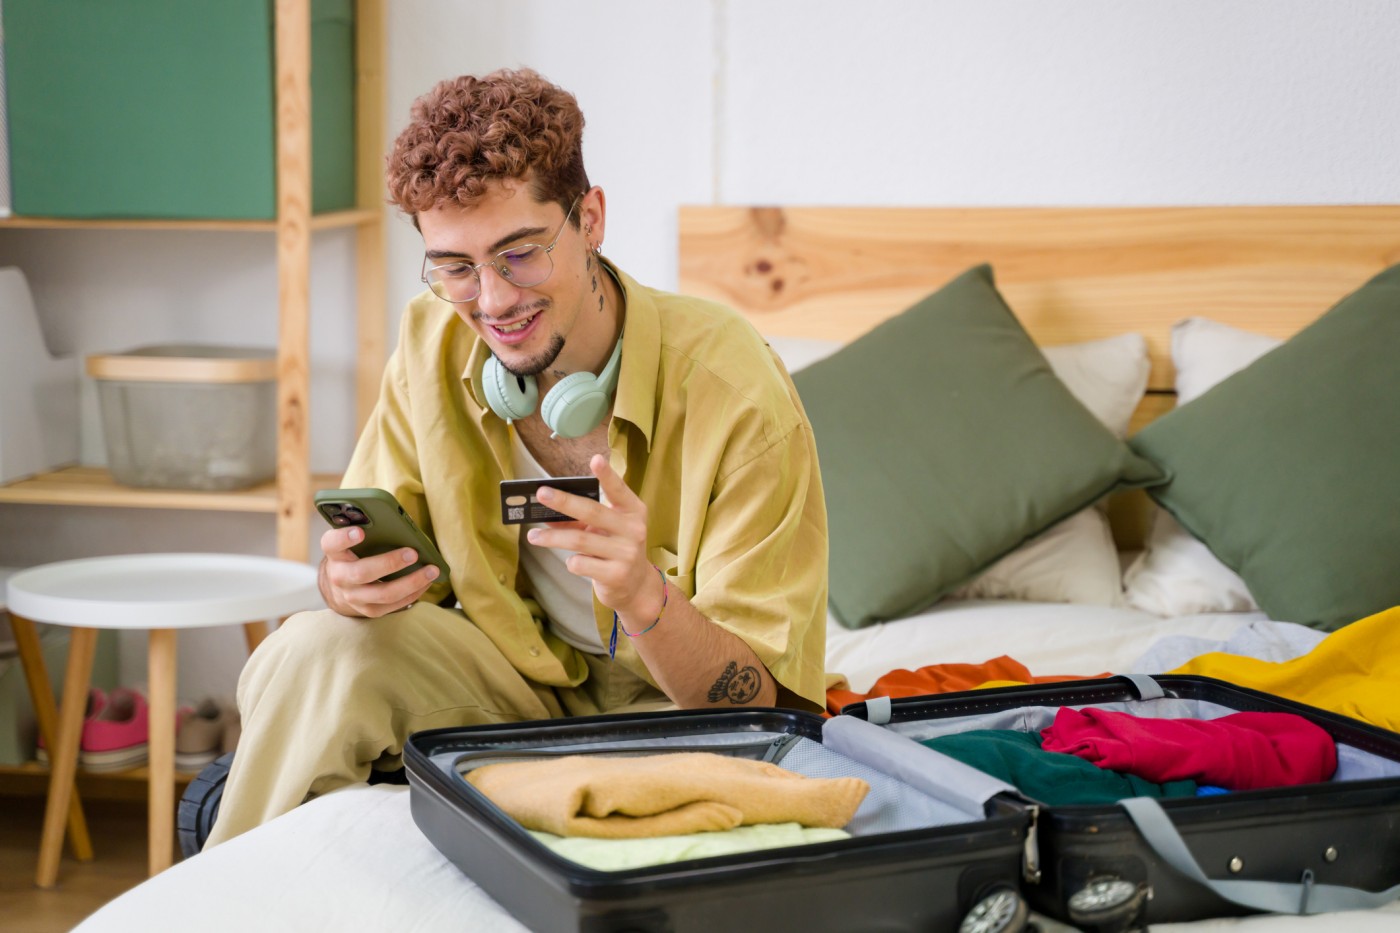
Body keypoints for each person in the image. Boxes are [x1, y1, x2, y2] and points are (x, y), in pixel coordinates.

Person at [204, 67, 827, 847]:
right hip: (514, 690)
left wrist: (643, 595)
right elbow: (367, 557)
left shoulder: (734, 387)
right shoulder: (432, 338)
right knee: (313, 647)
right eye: (456, 268)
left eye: (520, 254)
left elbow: (767, 706)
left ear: (590, 218)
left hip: (674, 720)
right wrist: (346, 581)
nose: (492, 302)